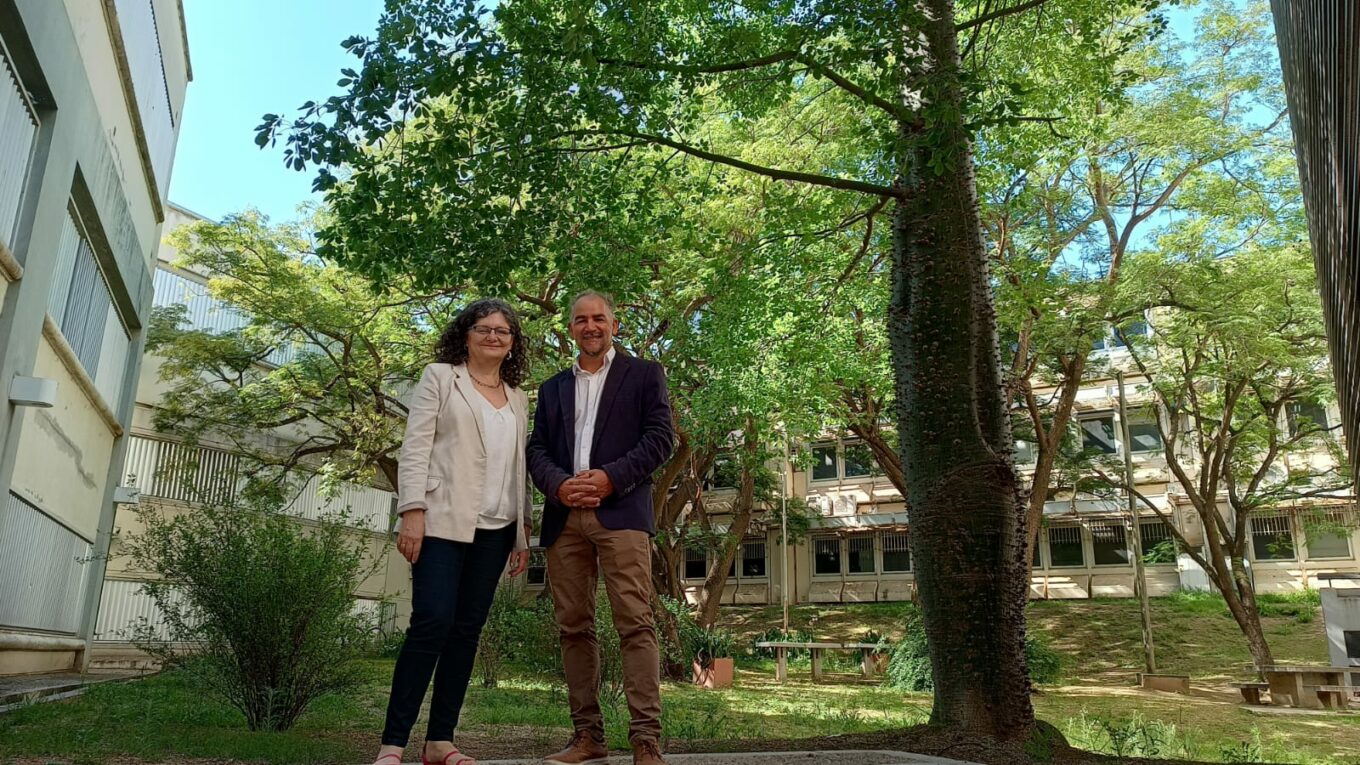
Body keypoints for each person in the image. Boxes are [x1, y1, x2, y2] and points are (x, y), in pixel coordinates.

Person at [373, 299, 534, 765]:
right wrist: (412, 511)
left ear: (512, 343)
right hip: (441, 521)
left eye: (503, 331)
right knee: (432, 623)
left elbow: (518, 466)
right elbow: (416, 445)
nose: (493, 336)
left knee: (466, 631)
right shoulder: (440, 377)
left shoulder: (519, 396)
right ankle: (392, 744)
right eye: (483, 328)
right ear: (465, 335)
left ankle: (440, 741)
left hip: (498, 529)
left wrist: (523, 527)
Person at [528, 290, 676, 765]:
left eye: (599, 319)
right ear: (569, 328)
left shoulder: (645, 374)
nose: (590, 326)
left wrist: (611, 477)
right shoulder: (552, 388)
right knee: (573, 627)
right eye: (580, 320)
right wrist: (559, 487)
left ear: (615, 324)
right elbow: (536, 452)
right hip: (564, 516)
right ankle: (588, 738)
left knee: (635, 623)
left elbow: (661, 438)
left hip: (623, 513)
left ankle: (645, 741)